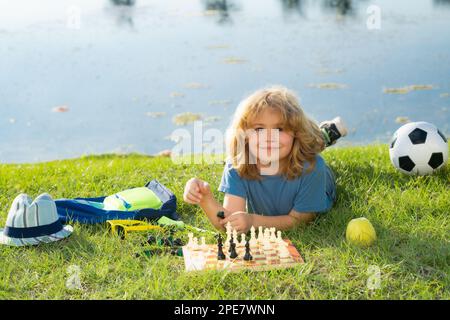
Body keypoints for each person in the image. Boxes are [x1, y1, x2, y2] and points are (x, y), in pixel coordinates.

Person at [183, 86, 347, 233]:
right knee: (295, 143)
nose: (269, 137)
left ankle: (325, 134)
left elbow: (299, 221)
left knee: (311, 144)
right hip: (290, 146)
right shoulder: (238, 166)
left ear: (295, 132)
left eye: (279, 128)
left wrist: (252, 221)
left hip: (321, 182)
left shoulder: (313, 167)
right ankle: (319, 135)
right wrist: (205, 199)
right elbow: (229, 223)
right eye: (259, 129)